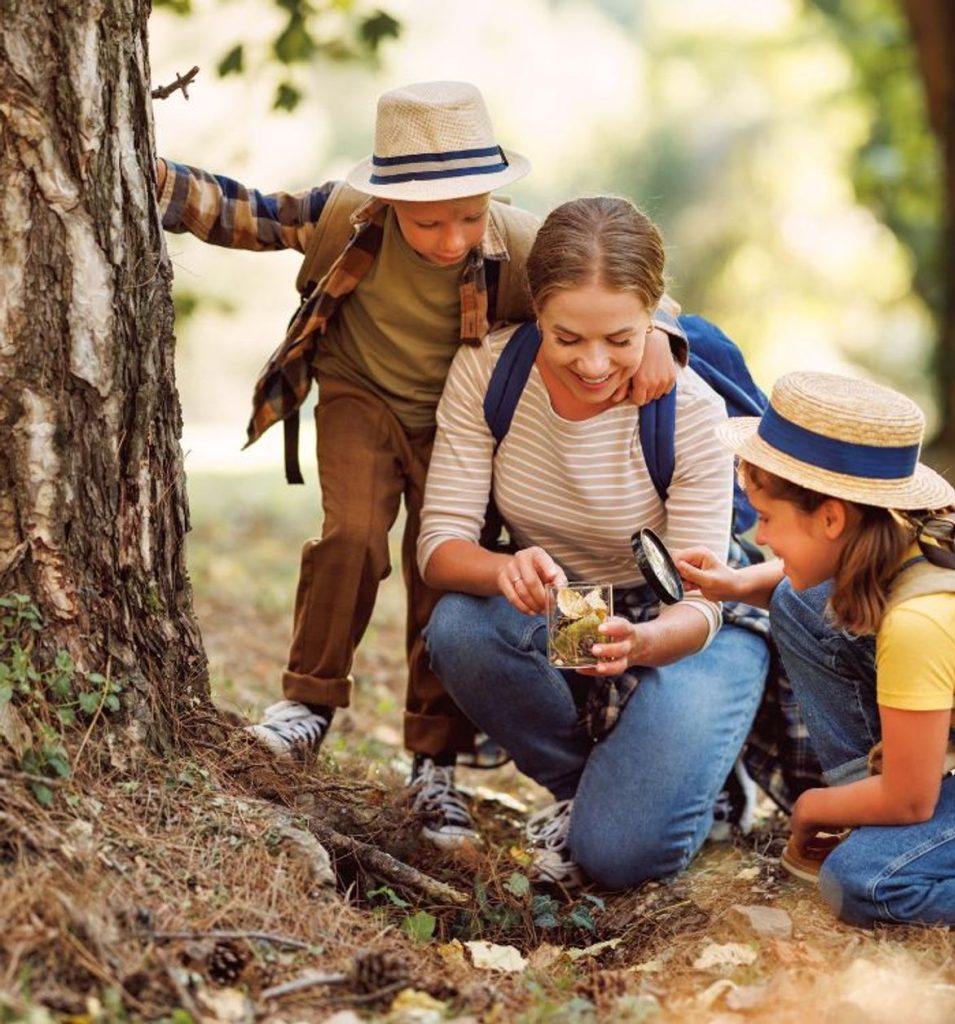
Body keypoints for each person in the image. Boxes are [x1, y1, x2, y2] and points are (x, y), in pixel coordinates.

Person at [156, 81, 679, 848]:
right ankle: (308, 704)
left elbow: (617, 286)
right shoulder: (344, 216)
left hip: (459, 425)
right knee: (353, 539)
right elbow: (247, 215)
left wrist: (663, 333)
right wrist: (147, 174)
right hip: (359, 398)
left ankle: (434, 763)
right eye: (430, 221)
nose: (452, 239)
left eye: (471, 215)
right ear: (388, 197)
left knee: (445, 574)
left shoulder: (520, 242)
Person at [418, 196, 770, 889]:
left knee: (617, 862)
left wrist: (642, 643)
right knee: (460, 626)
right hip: (573, 612)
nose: (594, 364)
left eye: (621, 338)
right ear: (536, 311)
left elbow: (702, 604)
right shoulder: (490, 374)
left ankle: (687, 780)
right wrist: (503, 570)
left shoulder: (689, 406)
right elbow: (439, 546)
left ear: (655, 317)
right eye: (567, 338)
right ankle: (596, 790)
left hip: (691, 623)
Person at [676, 371, 955, 926]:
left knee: (861, 883)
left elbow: (912, 800)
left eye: (766, 519)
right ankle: (867, 806)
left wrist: (815, 807)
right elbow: (802, 583)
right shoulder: (908, 535)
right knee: (796, 599)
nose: (758, 537)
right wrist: (738, 583)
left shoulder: (919, 624)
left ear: (833, 517)